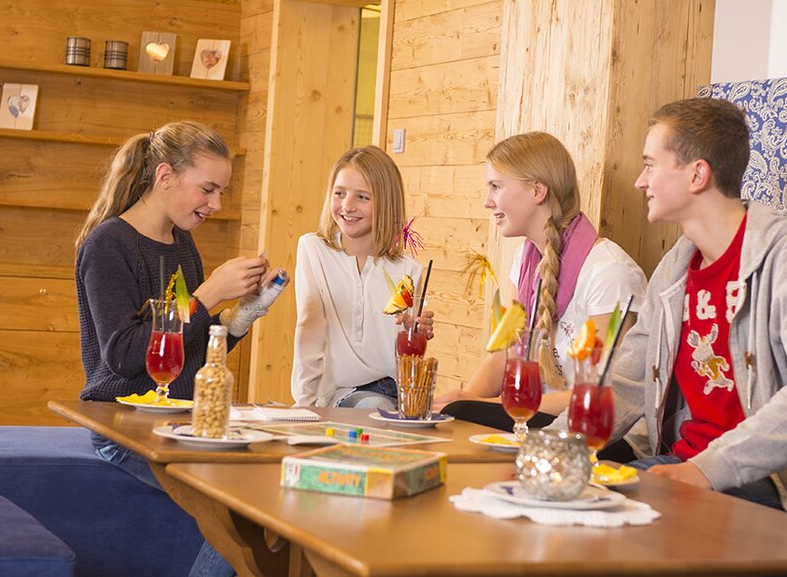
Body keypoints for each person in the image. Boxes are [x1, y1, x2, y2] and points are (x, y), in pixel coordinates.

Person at [602, 97, 787, 528]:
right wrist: (550, 448)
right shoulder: (674, 268)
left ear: (697, 174)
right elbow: (626, 386)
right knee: (564, 502)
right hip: (683, 467)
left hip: (779, 486)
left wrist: (707, 469)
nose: (638, 181)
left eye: (650, 164)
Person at [75, 120, 284, 575]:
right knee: (243, 507)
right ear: (165, 175)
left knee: (276, 494)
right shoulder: (108, 244)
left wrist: (243, 314)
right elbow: (127, 355)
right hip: (123, 426)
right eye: (208, 189)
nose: (217, 204)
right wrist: (207, 295)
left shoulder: (183, 246)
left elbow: (184, 353)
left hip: (181, 420)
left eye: (222, 192)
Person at [432, 132, 647, 438]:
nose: (486, 201)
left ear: (537, 190)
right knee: (452, 413)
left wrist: (478, 405)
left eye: (496, 186)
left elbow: (603, 393)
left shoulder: (609, 272)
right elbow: (503, 354)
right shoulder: (524, 259)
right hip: (538, 415)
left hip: (599, 431)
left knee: (463, 413)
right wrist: (460, 399)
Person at [292, 145, 434, 410]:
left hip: (394, 390)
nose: (347, 205)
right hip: (340, 393)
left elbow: (405, 353)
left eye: (362, 197)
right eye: (340, 193)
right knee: (372, 407)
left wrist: (414, 329)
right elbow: (309, 330)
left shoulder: (408, 269)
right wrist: (304, 403)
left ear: (386, 201)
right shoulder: (314, 250)